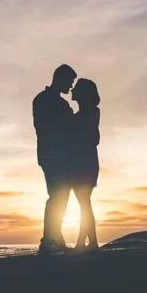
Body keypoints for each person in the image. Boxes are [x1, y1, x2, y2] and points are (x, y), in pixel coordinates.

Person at [32, 64, 77, 255]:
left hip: (62, 155)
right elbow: (44, 127)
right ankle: (48, 240)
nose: (71, 86)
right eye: (70, 81)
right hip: (51, 155)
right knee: (56, 195)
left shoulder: (61, 103)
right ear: (60, 78)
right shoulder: (42, 100)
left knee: (62, 196)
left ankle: (56, 238)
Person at [68, 79, 101, 253]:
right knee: (84, 203)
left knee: (84, 202)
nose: (72, 90)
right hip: (77, 162)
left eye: (76, 88)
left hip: (85, 162)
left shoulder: (93, 112)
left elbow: (92, 138)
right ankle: (91, 242)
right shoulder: (74, 116)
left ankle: (85, 242)